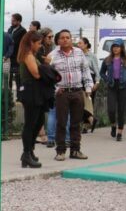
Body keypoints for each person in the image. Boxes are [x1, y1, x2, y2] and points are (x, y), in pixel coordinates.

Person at [49, 30, 94, 161]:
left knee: (76, 123)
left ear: (71, 39)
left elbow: (85, 70)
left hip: (77, 91)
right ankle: (60, 151)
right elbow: (48, 74)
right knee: (61, 123)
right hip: (62, 92)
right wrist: (56, 88)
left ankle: (75, 150)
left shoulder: (79, 52)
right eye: (62, 38)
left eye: (67, 37)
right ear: (58, 41)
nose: (65, 40)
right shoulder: (53, 55)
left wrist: (88, 87)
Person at [17, 31, 53, 168]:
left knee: (38, 121)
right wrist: (47, 68)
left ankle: (29, 151)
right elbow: (36, 74)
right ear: (31, 42)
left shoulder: (32, 55)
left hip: (35, 91)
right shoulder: (28, 55)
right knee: (30, 123)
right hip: (31, 91)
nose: (39, 46)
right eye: (38, 43)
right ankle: (27, 154)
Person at [99, 39, 126, 142]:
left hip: (124, 87)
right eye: (113, 46)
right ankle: (113, 126)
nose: (115, 48)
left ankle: (119, 132)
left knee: (121, 110)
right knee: (111, 109)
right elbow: (102, 73)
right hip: (112, 86)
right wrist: (107, 79)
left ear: (121, 48)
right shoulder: (107, 60)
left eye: (117, 46)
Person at [77, 37, 99, 133]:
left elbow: (96, 70)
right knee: (80, 103)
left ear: (86, 44)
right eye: (78, 43)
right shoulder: (76, 55)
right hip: (79, 80)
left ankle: (86, 126)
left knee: (89, 103)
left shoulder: (91, 56)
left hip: (90, 79)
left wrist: (97, 82)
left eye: (80, 43)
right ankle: (91, 119)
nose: (78, 45)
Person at [8, 13, 27, 87]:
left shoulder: (23, 30)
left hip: (17, 56)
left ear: (19, 21)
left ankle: (19, 92)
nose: (12, 22)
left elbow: (23, 44)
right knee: (9, 74)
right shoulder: (10, 29)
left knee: (17, 76)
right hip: (9, 55)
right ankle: (9, 91)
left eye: (14, 21)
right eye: (11, 20)